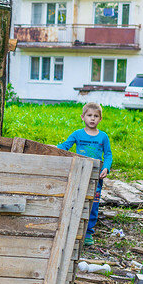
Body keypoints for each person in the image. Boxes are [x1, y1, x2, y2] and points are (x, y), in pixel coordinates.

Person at [57, 102, 112, 246]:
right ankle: (74, 228)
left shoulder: (103, 137)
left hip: (96, 175)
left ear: (100, 119)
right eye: (89, 115)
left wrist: (106, 167)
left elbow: (108, 154)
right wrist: (52, 148)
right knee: (76, 199)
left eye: (96, 116)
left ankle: (88, 232)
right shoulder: (77, 134)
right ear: (83, 117)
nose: (92, 119)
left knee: (93, 202)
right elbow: (65, 146)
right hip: (79, 173)